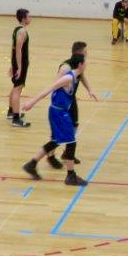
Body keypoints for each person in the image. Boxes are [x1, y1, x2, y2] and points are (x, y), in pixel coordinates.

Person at [21, 54, 88, 186]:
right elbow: (49, 89)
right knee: (71, 142)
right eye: (85, 62)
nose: (87, 64)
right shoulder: (68, 78)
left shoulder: (75, 76)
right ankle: (71, 176)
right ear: (80, 65)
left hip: (59, 111)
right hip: (59, 112)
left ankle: (31, 164)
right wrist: (31, 102)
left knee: (56, 141)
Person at [45, 41, 98, 167]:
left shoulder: (79, 65)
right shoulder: (66, 67)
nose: (87, 54)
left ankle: (68, 153)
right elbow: (55, 85)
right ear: (79, 53)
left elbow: (82, 76)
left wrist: (89, 89)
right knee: (58, 131)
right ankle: (50, 155)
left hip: (71, 100)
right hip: (61, 103)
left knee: (74, 125)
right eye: (85, 52)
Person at [8, 8, 31, 127]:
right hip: (20, 63)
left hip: (17, 62)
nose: (30, 18)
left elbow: (13, 49)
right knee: (18, 88)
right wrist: (19, 67)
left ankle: (11, 111)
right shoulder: (22, 31)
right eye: (29, 16)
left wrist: (12, 65)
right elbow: (18, 50)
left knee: (16, 87)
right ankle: (16, 119)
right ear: (23, 18)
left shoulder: (17, 29)